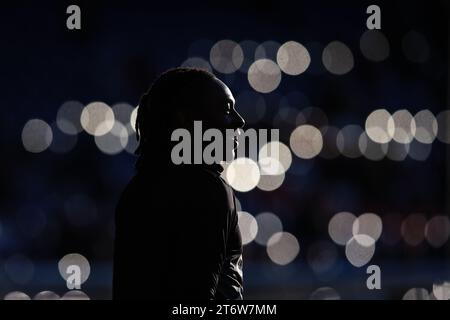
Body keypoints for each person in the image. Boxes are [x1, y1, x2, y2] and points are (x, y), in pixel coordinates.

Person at [113, 67, 246, 300]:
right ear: (184, 117)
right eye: (226, 110)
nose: (239, 121)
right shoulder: (208, 189)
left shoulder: (137, 189)